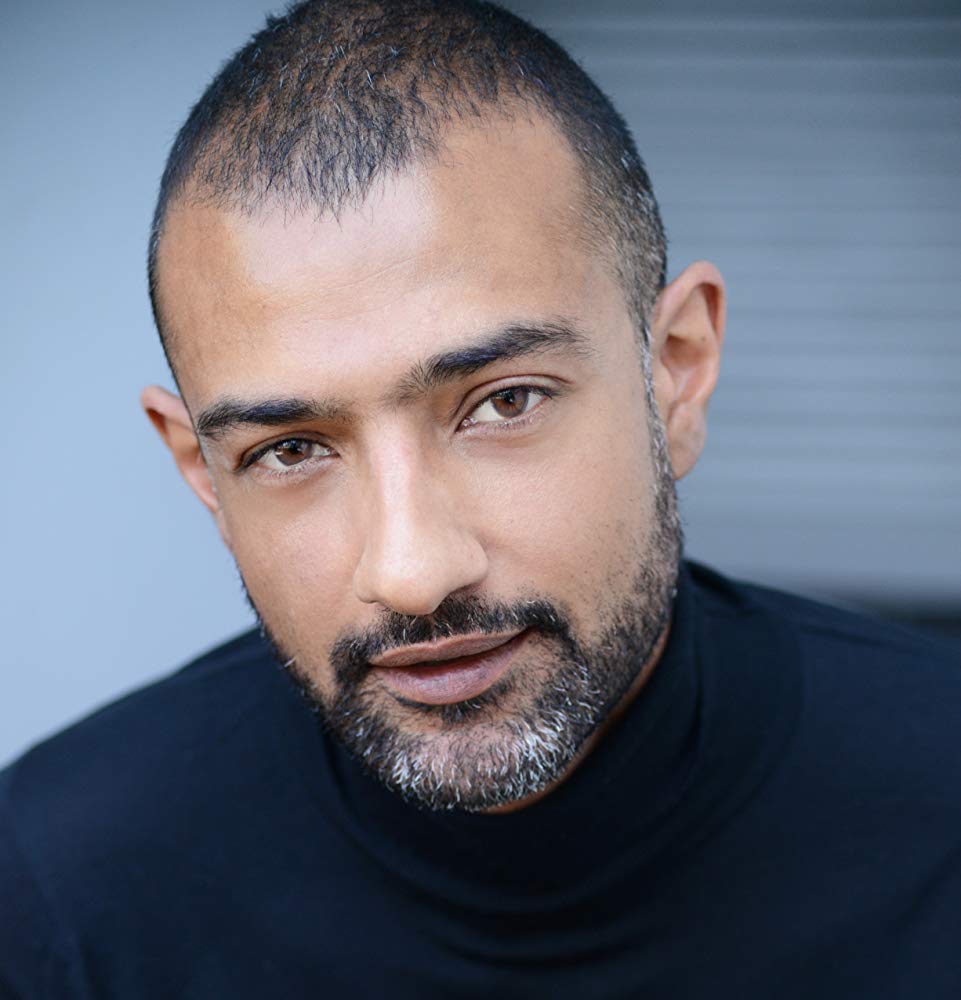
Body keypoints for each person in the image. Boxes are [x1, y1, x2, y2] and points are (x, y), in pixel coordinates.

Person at [1, 1, 958, 995]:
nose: (412, 574)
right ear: (203, 473)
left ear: (675, 371)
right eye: (291, 449)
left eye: (505, 403)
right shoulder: (59, 898)